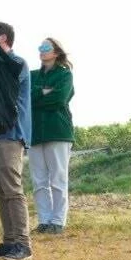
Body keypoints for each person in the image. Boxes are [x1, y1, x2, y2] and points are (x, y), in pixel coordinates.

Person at [0, 21, 34, 260]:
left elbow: (4, 89)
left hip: (11, 135)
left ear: (3, 38)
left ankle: (23, 244)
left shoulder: (16, 63)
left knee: (12, 190)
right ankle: (9, 241)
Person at [28, 37, 75, 234]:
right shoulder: (31, 75)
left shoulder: (65, 75)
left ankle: (58, 221)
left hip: (58, 132)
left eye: (46, 47)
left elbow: (59, 98)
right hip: (34, 132)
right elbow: (25, 97)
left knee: (58, 178)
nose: (42, 50)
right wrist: (44, 92)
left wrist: (38, 95)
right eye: (40, 47)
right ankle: (44, 220)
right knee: (39, 180)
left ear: (56, 52)